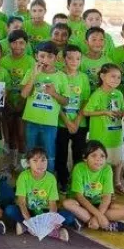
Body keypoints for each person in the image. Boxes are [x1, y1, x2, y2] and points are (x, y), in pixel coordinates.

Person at [62, 141, 124, 232]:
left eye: (102, 156)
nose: (98, 159)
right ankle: (107, 225)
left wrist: (97, 216)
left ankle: (87, 221)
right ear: (85, 158)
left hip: (100, 205)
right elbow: (79, 196)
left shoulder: (107, 169)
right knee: (67, 203)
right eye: (93, 155)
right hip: (82, 204)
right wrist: (99, 216)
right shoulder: (79, 168)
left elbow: (107, 197)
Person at [20, 41, 68, 171]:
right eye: (42, 56)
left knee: (49, 154)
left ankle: (49, 183)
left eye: (50, 57)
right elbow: (24, 94)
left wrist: (53, 93)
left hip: (50, 123)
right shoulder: (31, 71)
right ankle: (28, 181)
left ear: (56, 58)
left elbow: (65, 101)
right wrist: (35, 76)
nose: (45, 60)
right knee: (30, 152)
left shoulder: (62, 76)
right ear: (36, 56)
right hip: (32, 121)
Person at [5, 148, 71, 241]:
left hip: (45, 213)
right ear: (28, 163)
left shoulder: (51, 178)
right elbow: (21, 202)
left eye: (43, 160)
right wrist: (29, 221)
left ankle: (27, 228)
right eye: (35, 161)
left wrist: (52, 220)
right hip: (29, 211)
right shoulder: (23, 176)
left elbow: (52, 203)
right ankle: (51, 232)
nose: (40, 164)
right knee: (10, 210)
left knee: (68, 216)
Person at [83, 63, 124, 194]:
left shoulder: (119, 93)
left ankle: (117, 182)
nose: (116, 80)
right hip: (101, 136)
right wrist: (104, 112)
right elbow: (86, 111)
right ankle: (102, 187)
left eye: (119, 77)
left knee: (118, 160)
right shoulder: (98, 94)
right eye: (112, 76)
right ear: (102, 76)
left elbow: (123, 107)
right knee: (102, 162)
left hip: (116, 134)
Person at [55, 45, 90, 190]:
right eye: (70, 58)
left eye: (78, 58)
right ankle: (63, 180)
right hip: (61, 123)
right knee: (61, 153)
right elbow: (56, 102)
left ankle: (77, 182)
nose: (74, 61)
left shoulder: (83, 77)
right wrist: (67, 121)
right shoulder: (58, 76)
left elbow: (85, 101)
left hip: (79, 124)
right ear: (63, 59)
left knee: (79, 153)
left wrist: (76, 121)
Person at [0, 30, 33, 154]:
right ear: (9, 44)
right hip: (7, 102)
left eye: (21, 43)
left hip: (24, 103)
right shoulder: (3, 61)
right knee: (9, 133)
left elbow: (32, 85)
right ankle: (12, 162)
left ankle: (22, 161)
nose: (18, 46)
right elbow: (1, 82)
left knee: (21, 133)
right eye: (14, 43)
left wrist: (22, 102)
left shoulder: (31, 61)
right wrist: (7, 102)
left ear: (26, 44)